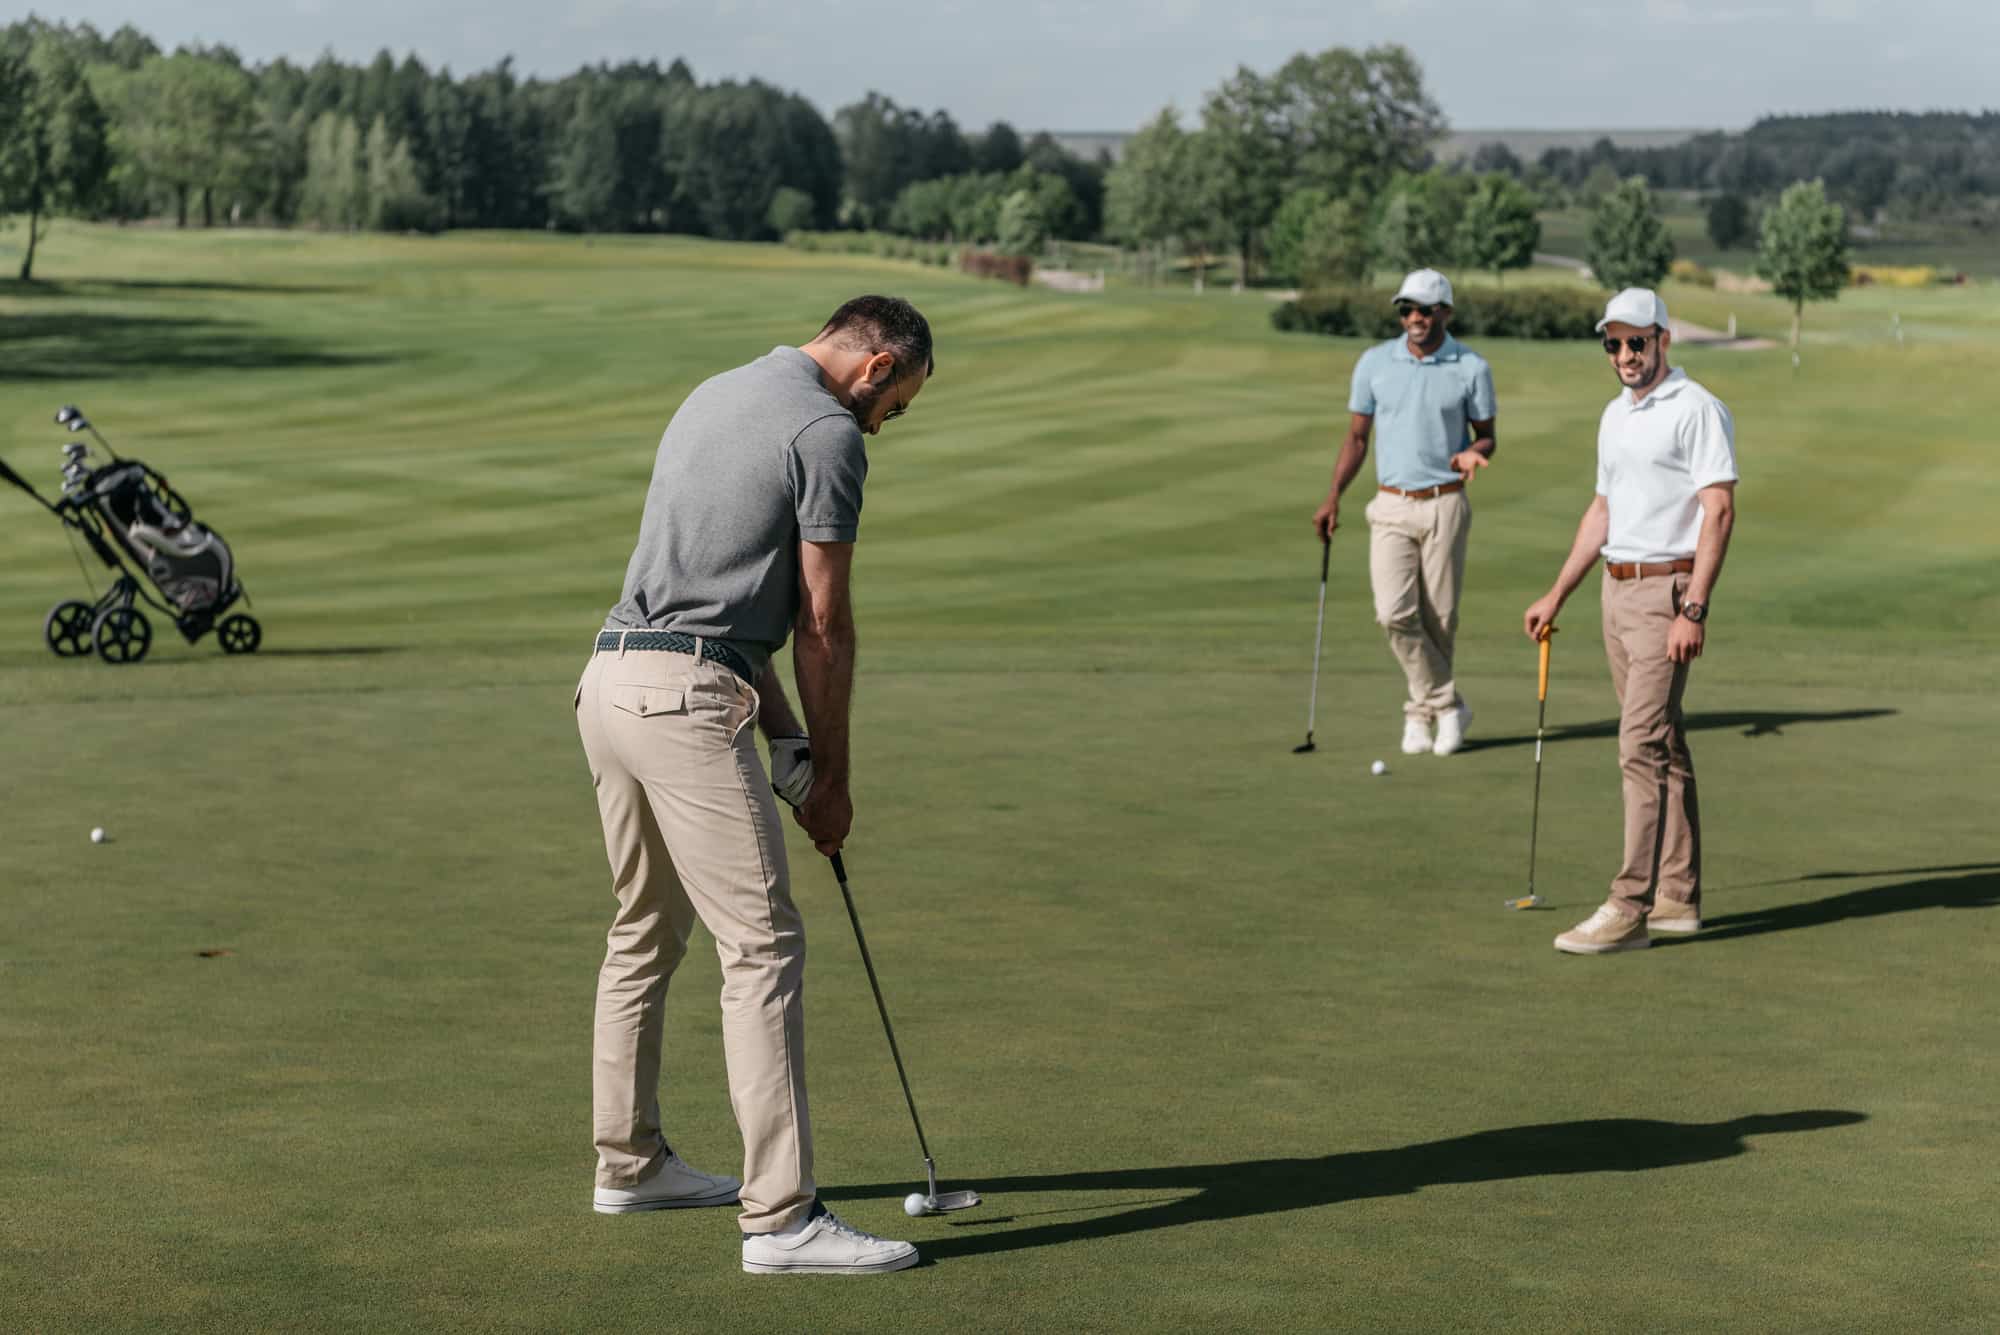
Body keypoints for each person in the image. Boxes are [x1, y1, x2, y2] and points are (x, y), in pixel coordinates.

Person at [574, 296, 933, 1274]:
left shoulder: (717, 392)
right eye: (894, 406)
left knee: (642, 929)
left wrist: (783, 744)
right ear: (877, 366)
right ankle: (780, 1220)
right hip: (684, 698)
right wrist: (834, 781)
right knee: (763, 945)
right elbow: (821, 628)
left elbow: (718, 600)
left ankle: (630, 1164)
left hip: (609, 679)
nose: (882, 426)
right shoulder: (826, 431)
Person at [1523, 288, 1738, 956]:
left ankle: (1628, 905)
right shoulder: (1614, 416)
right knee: (1665, 742)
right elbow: (1601, 511)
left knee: (1638, 746)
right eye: (1612, 343)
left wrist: (1694, 606)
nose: (1624, 354)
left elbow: (1719, 510)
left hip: (1666, 594)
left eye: (1636, 341)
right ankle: (1678, 896)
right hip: (1616, 593)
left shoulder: (1697, 408)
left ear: (1663, 339)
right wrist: (1558, 592)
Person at [1312, 268, 1498, 757]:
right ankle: (1447, 705)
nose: (1413, 318)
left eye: (1423, 310)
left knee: (1441, 619)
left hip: (1446, 501)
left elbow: (1486, 434)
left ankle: (1420, 716)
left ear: (1445, 313)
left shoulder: (1470, 367)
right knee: (1393, 612)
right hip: (1391, 502)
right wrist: (1334, 495)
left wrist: (1475, 452)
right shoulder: (1375, 363)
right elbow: (1356, 438)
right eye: (1406, 310)